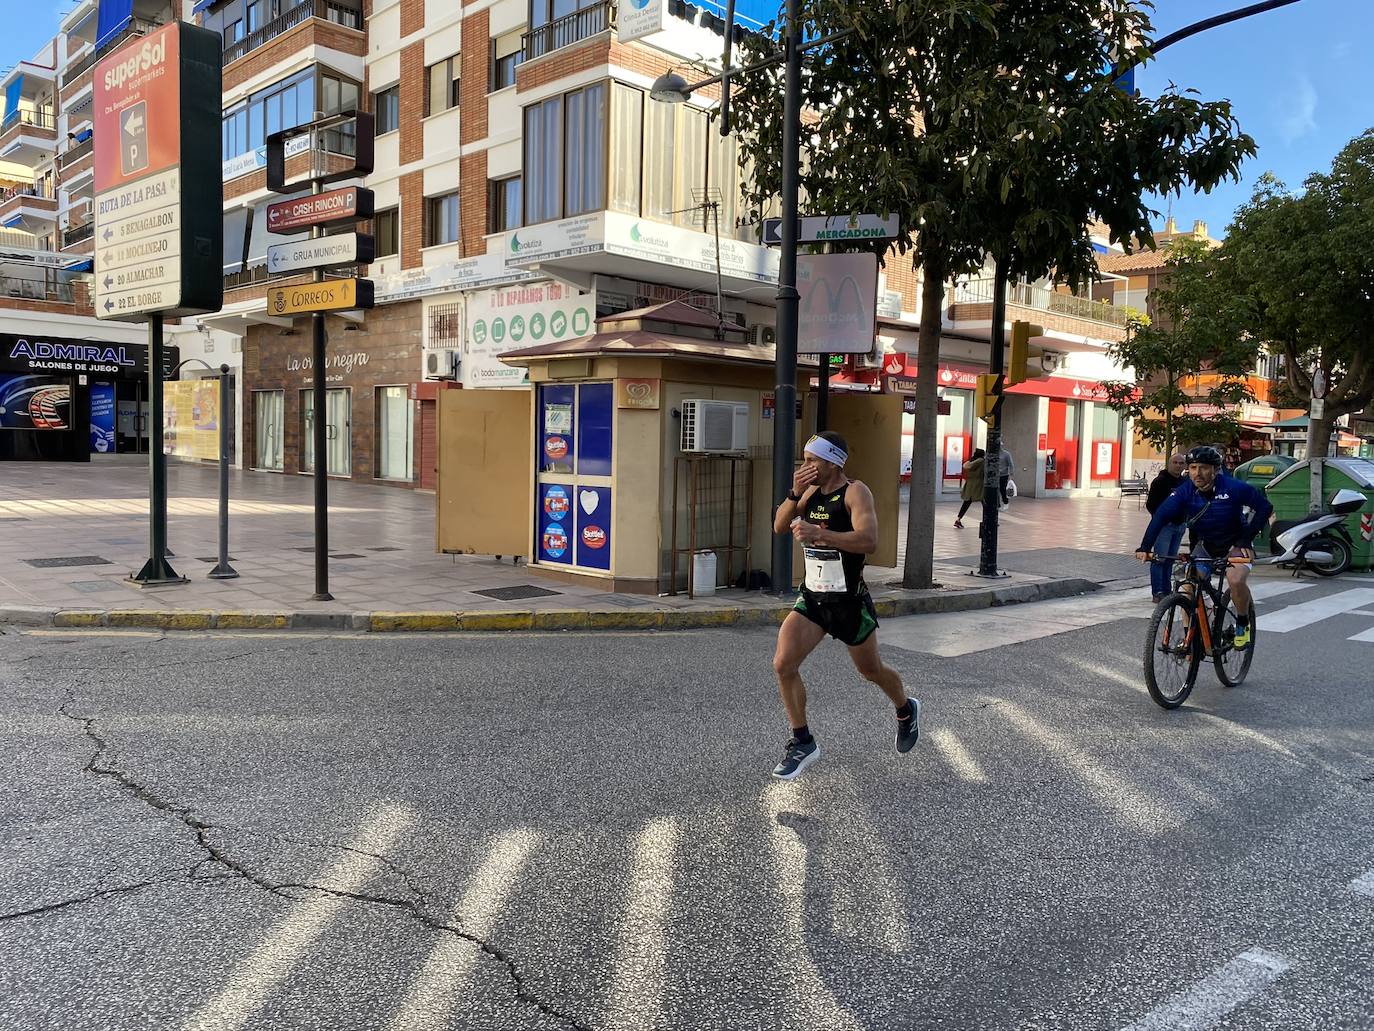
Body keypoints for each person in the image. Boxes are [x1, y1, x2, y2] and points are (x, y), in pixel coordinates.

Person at [770, 431, 922, 779]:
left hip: (848, 602)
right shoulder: (807, 493)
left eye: (813, 461)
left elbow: (869, 540)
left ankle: (905, 708)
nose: (807, 467)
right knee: (783, 664)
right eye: (804, 460)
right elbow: (779, 526)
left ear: (833, 461)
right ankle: (802, 740)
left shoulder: (855, 491)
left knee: (870, 671)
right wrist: (794, 494)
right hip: (813, 598)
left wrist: (819, 534)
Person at [1135, 445, 1273, 649]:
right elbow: (1161, 516)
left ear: (1216, 470)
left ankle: (1242, 623)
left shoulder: (1233, 487)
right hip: (1207, 545)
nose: (1197, 473)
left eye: (1204, 468)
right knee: (1186, 588)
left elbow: (1265, 507)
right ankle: (1189, 639)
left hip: (1235, 544)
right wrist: (1145, 547)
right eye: (1192, 467)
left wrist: (1245, 540)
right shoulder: (1185, 491)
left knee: (1235, 580)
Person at [1145, 452, 1187, 603]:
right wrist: (1161, 520)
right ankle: (1157, 592)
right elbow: (1151, 504)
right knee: (1159, 559)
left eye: (1181, 463)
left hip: (1179, 525)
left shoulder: (1184, 482)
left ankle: (1167, 590)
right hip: (1165, 527)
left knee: (1170, 559)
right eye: (1175, 462)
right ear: (1169, 464)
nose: (1178, 465)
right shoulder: (1160, 482)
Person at [953, 448, 985, 529]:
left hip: (970, 483)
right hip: (978, 484)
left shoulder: (970, 461)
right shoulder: (981, 461)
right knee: (984, 501)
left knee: (967, 502)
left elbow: (965, 466)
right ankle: (988, 519)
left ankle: (958, 519)